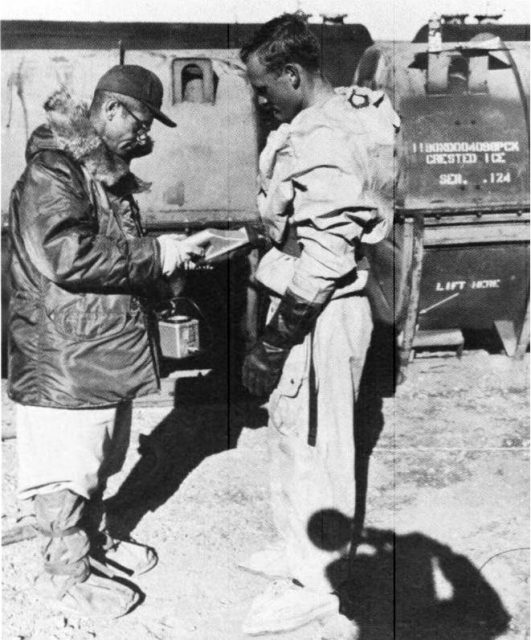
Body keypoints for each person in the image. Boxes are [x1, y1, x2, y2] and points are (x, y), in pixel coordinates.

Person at [7, 65, 208, 618]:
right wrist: (155, 255)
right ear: (110, 110)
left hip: (95, 348)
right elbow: (66, 254)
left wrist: (167, 262)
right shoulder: (54, 171)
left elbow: (111, 252)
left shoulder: (99, 173)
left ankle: (91, 546)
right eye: (140, 123)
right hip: (64, 357)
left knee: (98, 460)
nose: (144, 138)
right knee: (66, 469)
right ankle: (64, 573)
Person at [239, 14, 400, 635]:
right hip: (318, 301)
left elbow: (328, 256)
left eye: (264, 86)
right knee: (292, 430)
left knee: (319, 445)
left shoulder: (321, 134)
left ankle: (319, 583)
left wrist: (273, 343)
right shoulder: (352, 113)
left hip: (322, 310)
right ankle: (296, 546)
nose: (260, 98)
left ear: (293, 74)